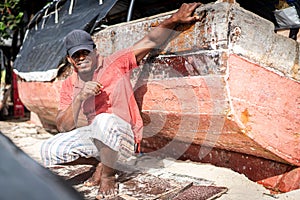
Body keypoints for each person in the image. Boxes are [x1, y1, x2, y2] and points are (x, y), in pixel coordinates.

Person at [41, 2, 202, 199]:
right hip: (100, 140)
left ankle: (109, 175)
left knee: (103, 120)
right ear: (70, 59)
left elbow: (149, 41)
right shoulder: (70, 84)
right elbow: (63, 127)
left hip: (125, 138)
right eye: (76, 55)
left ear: (95, 52)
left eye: (86, 52)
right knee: (49, 149)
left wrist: (175, 18)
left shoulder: (114, 64)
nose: (82, 58)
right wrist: (80, 97)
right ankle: (103, 162)